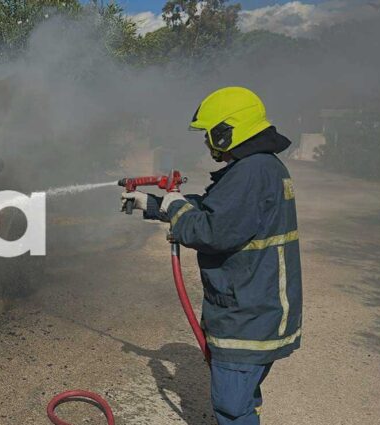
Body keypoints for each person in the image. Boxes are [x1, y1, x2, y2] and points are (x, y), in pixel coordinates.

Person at [121, 87, 302, 424]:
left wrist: (177, 205)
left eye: (209, 133)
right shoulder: (261, 167)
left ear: (227, 131)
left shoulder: (250, 173)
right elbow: (218, 210)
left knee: (232, 407)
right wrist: (155, 205)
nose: (207, 142)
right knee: (244, 399)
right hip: (257, 307)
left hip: (247, 314)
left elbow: (211, 232)